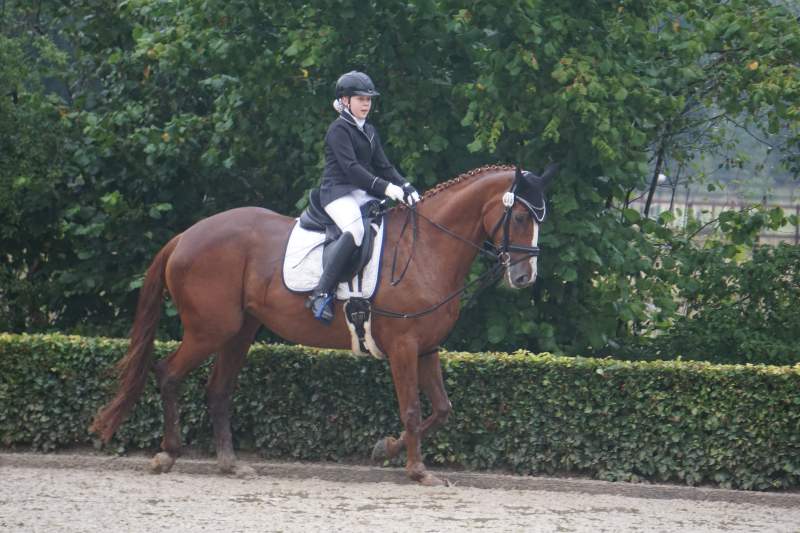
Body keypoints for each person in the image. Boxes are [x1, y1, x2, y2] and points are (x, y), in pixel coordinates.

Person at [307, 70, 420, 323]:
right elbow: (352, 170)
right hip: (337, 193)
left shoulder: (369, 130)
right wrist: (386, 188)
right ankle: (321, 292)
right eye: (360, 99)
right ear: (345, 101)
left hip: (361, 193)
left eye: (369, 99)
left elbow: (384, 166)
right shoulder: (338, 130)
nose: (366, 104)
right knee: (356, 230)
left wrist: (406, 185)